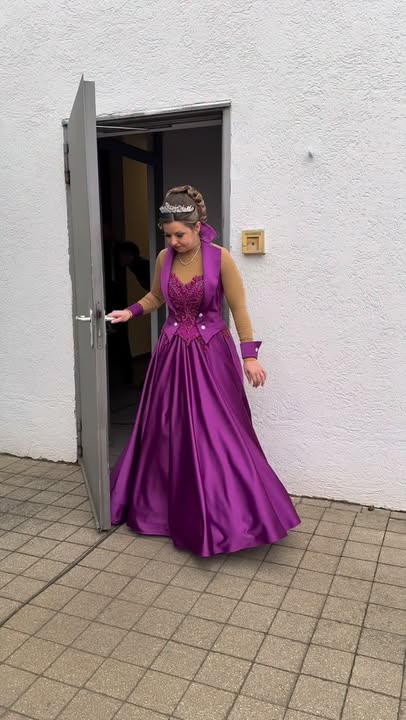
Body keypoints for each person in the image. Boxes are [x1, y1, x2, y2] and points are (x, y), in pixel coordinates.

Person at [108, 185, 300, 556]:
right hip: (171, 356)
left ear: (198, 228)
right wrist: (130, 312)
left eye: (180, 234)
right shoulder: (164, 258)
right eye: (168, 235)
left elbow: (239, 308)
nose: (173, 242)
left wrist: (249, 356)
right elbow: (156, 297)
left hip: (211, 356)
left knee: (219, 432)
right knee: (167, 430)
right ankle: (165, 511)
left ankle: (232, 517)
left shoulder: (220, 258)